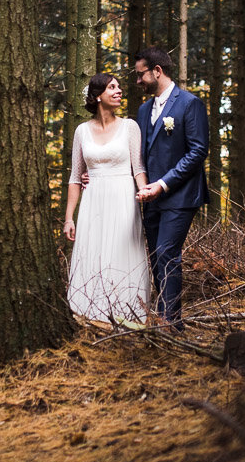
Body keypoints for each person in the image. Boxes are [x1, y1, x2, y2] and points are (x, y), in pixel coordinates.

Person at [64, 73, 152, 323]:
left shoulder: (130, 127)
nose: (118, 91)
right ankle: (89, 315)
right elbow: (74, 177)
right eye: (111, 87)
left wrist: (144, 191)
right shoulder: (82, 131)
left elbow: (138, 168)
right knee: (93, 253)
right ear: (97, 95)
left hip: (123, 199)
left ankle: (128, 314)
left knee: (123, 252)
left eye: (119, 87)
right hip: (93, 201)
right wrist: (69, 218)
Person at [133, 46, 208, 331]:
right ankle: (163, 316)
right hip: (149, 199)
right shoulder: (143, 110)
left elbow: (198, 150)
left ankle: (170, 323)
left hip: (180, 195)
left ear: (157, 71)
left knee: (166, 252)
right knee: (155, 256)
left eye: (141, 75)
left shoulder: (190, 104)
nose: (138, 81)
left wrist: (163, 184)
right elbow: (138, 154)